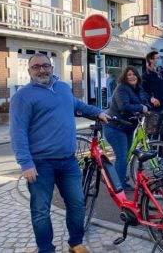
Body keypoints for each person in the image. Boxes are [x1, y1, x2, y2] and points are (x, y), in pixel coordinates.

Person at [10, 53, 110, 253]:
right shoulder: (23, 96)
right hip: (40, 164)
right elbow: (17, 131)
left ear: (52, 67)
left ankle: (76, 243)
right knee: (40, 211)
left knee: (77, 203)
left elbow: (77, 105)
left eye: (45, 65)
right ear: (29, 71)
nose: (42, 69)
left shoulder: (63, 88)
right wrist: (26, 163)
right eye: (36, 66)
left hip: (68, 161)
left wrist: (97, 112)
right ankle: (46, 249)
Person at [104, 66, 150, 191]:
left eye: (133, 74)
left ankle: (119, 179)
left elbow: (145, 101)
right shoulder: (121, 89)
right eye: (129, 75)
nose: (132, 76)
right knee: (122, 157)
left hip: (128, 126)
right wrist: (141, 108)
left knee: (126, 156)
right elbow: (124, 106)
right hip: (115, 127)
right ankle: (118, 187)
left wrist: (146, 106)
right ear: (124, 77)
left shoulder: (138, 88)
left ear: (137, 76)